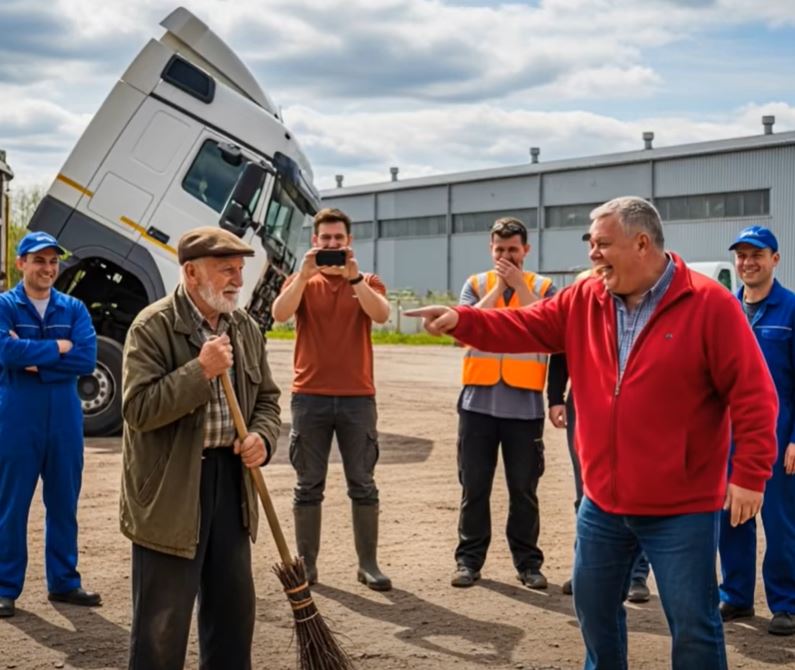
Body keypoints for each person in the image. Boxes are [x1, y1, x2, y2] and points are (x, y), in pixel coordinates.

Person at [407, 196, 778, 669]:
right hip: (602, 502)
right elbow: (526, 324)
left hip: (680, 506)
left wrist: (749, 474)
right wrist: (465, 319)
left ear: (642, 243)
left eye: (603, 244)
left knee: (693, 625)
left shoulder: (710, 305)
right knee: (594, 611)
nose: (592, 254)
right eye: (592, 244)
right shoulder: (586, 297)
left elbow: (754, 394)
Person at [121, 227, 281, 669]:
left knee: (233, 619)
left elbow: (268, 399)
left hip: (231, 483)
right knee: (162, 627)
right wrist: (200, 371)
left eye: (239, 269)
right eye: (225, 268)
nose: (237, 278)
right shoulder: (152, 327)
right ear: (191, 273)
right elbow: (137, 409)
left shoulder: (245, 326)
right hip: (171, 492)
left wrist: (262, 439)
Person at [272, 207, 392, 591]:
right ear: (315, 241)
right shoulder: (301, 281)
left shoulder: (368, 280)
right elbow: (279, 314)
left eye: (338, 239)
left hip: (358, 398)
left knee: (363, 482)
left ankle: (368, 564)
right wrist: (304, 276)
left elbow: (382, 315)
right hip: (309, 398)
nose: (332, 245)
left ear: (349, 242)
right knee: (308, 485)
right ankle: (307, 566)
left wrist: (354, 277)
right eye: (326, 239)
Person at [451, 217, 559, 590]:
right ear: (490, 249)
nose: (507, 256)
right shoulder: (476, 284)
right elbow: (464, 327)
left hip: (524, 408)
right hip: (478, 403)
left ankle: (528, 564)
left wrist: (517, 286)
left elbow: (548, 328)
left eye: (513, 249)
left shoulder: (544, 287)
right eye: (500, 250)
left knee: (524, 490)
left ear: (526, 250)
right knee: (474, 487)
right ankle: (468, 561)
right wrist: (498, 289)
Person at [0, 231, 99, 619]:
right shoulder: (5, 306)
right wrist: (58, 349)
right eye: (38, 260)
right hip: (16, 415)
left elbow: (86, 359)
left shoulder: (73, 308)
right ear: (21, 263)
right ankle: (5, 587)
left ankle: (64, 582)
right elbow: (3, 351)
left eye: (53, 261)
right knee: (11, 503)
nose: (47, 268)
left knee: (63, 499)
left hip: (64, 416)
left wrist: (32, 361)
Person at [718, 225, 795, 636]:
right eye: (742, 256)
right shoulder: (726, 310)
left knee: (781, 524)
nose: (748, 263)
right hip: (730, 436)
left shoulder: (792, 309)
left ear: (775, 260)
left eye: (757, 255)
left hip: (780, 438)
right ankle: (736, 596)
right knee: (731, 518)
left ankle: (785, 603)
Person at [548, 347, 650, 602]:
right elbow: (562, 344)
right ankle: (588, 568)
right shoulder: (581, 306)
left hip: (636, 396)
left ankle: (636, 574)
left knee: (635, 487)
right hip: (585, 400)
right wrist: (555, 396)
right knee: (586, 489)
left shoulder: (645, 306)